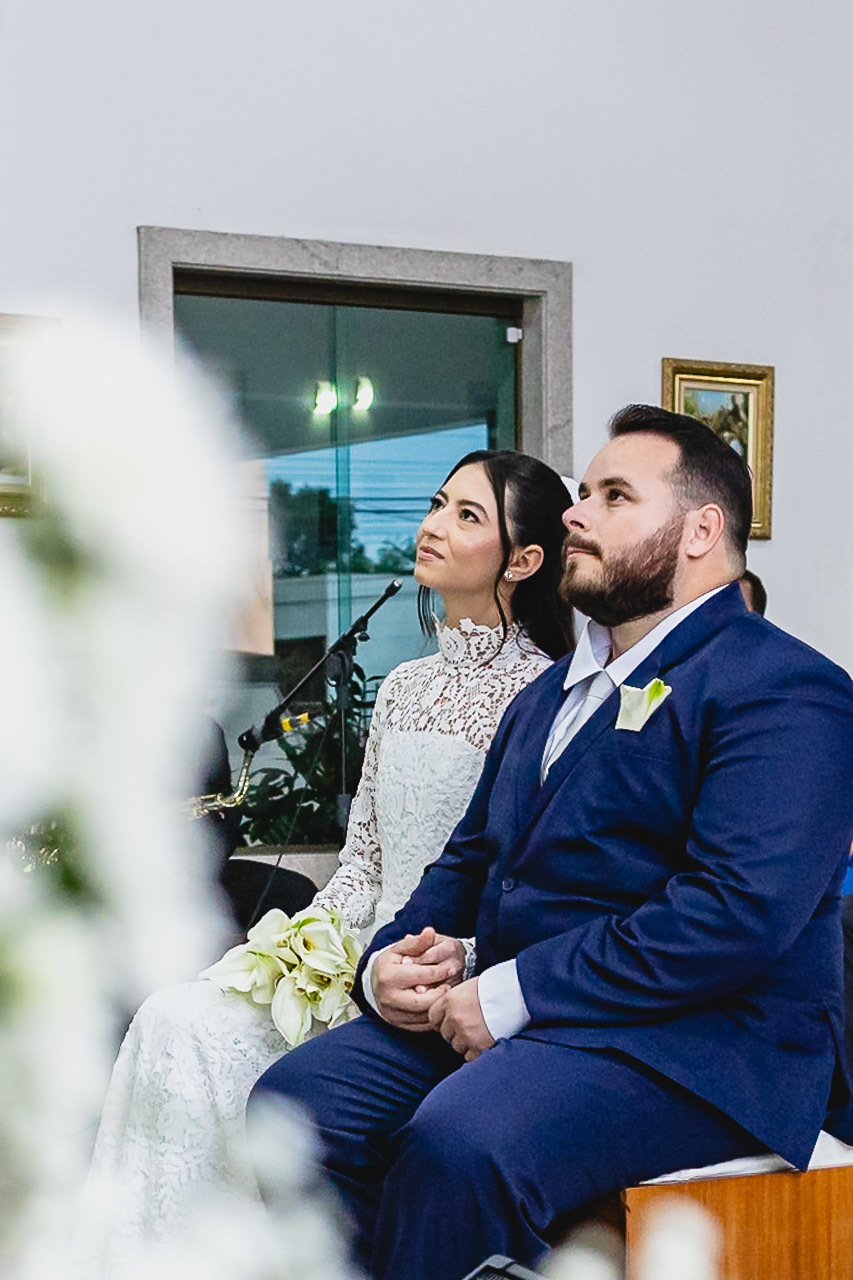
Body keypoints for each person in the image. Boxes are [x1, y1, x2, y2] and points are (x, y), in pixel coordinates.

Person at [253, 405, 853, 1280]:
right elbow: (466, 864)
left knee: (460, 1144)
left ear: (700, 530)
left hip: (699, 1046)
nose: (576, 514)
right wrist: (383, 968)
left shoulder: (785, 687)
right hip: (540, 1028)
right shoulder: (546, 698)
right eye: (581, 495)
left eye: (613, 496)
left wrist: (513, 993)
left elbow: (733, 914)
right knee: (295, 1105)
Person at [72, 449, 573, 1276]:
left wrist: (427, 969)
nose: (432, 526)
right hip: (357, 955)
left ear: (524, 561)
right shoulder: (404, 686)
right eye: (437, 503)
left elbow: (512, 882)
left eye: (466, 515)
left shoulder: (546, 698)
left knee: (197, 1036)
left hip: (441, 978)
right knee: (175, 1011)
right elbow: (364, 859)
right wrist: (296, 949)